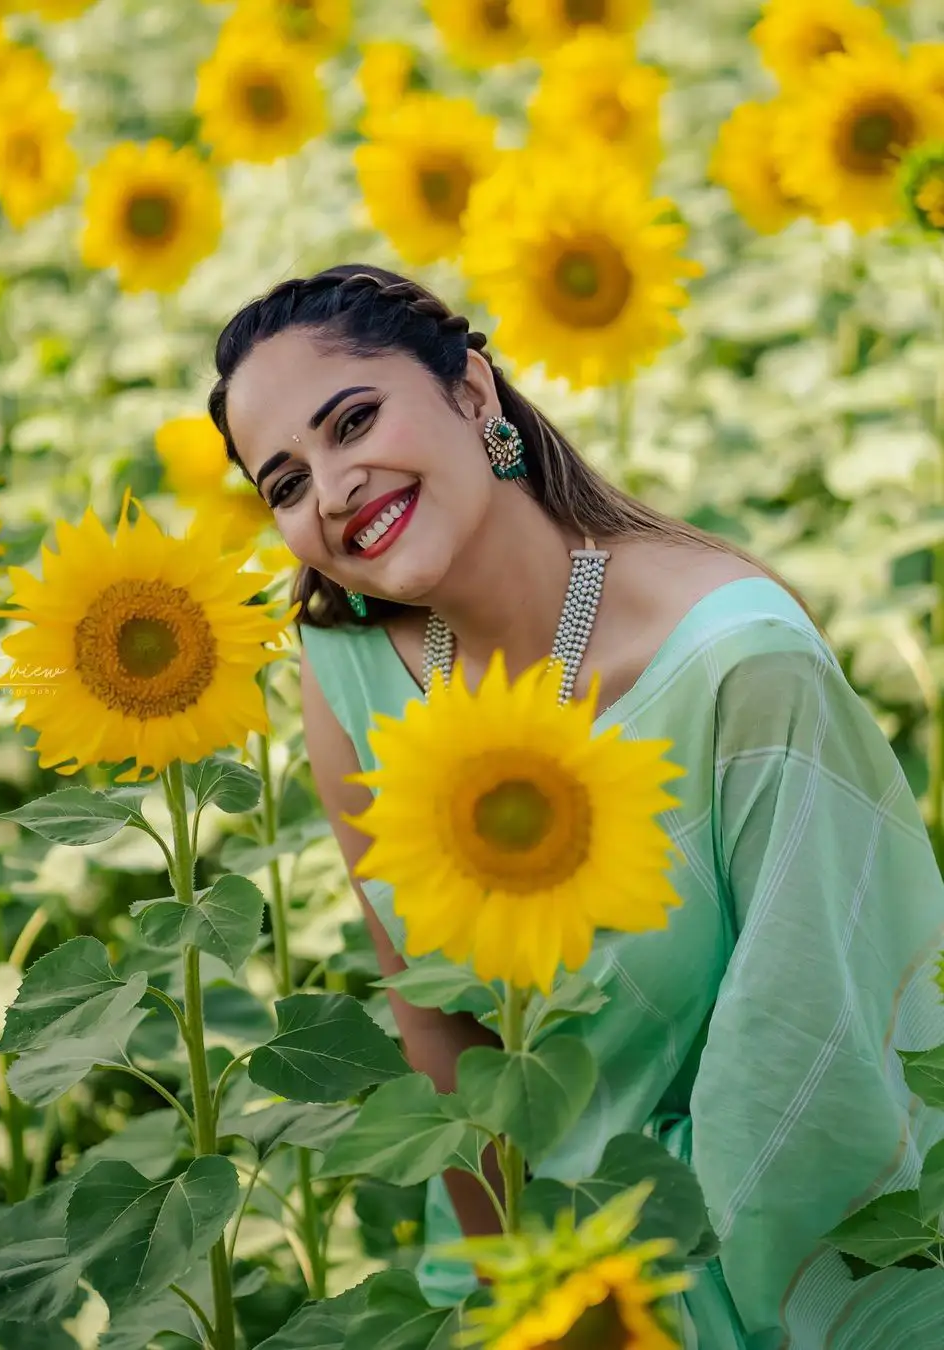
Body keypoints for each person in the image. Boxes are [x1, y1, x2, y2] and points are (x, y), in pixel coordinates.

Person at [208, 263, 944, 1348]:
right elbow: (436, 1024)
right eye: (284, 483)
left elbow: (807, 1052)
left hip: (776, 1251)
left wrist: (648, 1309)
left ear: (472, 392)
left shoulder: (739, 666)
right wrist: (520, 1304)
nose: (332, 490)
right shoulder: (350, 667)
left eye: (353, 421)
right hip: (533, 1259)